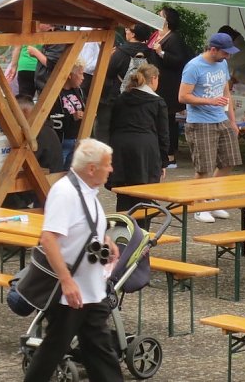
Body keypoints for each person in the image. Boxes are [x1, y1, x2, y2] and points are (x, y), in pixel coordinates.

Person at [23, 139, 123, 382]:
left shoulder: (87, 191)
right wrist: (66, 281)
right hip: (71, 292)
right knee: (54, 348)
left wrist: (106, 241)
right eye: (107, 165)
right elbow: (48, 239)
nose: (111, 169)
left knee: (99, 349)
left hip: (89, 288)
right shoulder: (65, 192)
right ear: (91, 168)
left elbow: (81, 227)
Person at [178, 32, 242, 223]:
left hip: (220, 119)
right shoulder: (194, 66)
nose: (228, 56)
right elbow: (183, 96)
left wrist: (232, 120)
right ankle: (199, 205)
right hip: (200, 121)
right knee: (204, 166)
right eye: (225, 52)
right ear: (213, 49)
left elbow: (226, 92)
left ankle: (211, 198)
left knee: (229, 160)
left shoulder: (222, 63)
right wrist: (210, 101)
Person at [108, 64, 169, 212]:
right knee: (144, 194)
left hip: (121, 147)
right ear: (153, 79)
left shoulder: (122, 98)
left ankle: (122, 229)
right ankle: (142, 232)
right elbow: (163, 134)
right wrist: (164, 161)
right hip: (145, 149)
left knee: (123, 192)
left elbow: (112, 124)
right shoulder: (157, 102)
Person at [95, 24, 156, 144]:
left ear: (133, 34)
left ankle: (105, 155)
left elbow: (108, 72)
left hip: (115, 96)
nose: (126, 31)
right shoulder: (151, 54)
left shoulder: (121, 52)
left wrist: (108, 58)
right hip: (141, 97)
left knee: (104, 127)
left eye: (128, 29)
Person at [150, 8, 193, 167]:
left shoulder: (174, 38)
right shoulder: (157, 35)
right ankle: (161, 152)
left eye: (160, 16)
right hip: (157, 83)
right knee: (160, 119)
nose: (157, 18)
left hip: (168, 85)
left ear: (167, 21)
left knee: (167, 119)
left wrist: (161, 53)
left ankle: (169, 155)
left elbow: (179, 60)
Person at [49, 61, 86, 169]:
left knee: (73, 172)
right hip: (62, 140)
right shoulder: (56, 93)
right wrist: (72, 117)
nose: (83, 77)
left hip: (77, 138)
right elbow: (51, 118)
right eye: (80, 73)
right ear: (70, 75)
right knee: (58, 171)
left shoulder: (79, 91)